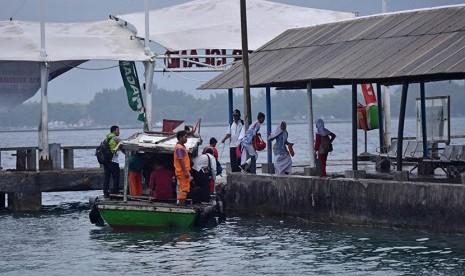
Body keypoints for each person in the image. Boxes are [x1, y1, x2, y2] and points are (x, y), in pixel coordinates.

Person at [173, 130, 191, 205]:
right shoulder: (179, 148)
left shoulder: (181, 147)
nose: (186, 139)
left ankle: (182, 203)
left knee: (184, 189)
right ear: (180, 137)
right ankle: (181, 204)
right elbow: (181, 160)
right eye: (185, 137)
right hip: (182, 172)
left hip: (183, 172)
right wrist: (185, 172)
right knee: (183, 189)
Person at [103, 125, 121, 198]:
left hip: (106, 161)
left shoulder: (107, 138)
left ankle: (105, 191)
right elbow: (124, 143)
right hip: (113, 160)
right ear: (114, 131)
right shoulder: (115, 138)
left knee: (107, 177)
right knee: (116, 176)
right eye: (118, 130)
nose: (119, 132)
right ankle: (115, 192)